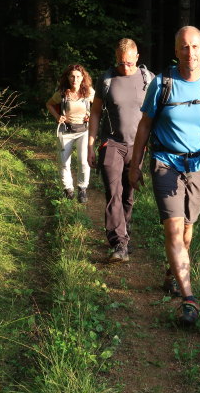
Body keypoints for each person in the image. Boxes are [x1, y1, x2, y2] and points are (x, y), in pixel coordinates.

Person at [128, 26, 200, 326]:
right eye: (184, 47)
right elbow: (144, 126)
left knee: (187, 230)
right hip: (165, 163)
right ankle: (189, 299)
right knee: (173, 230)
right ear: (176, 51)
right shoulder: (161, 84)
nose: (190, 53)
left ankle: (173, 273)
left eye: (195, 46)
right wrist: (135, 165)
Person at [88, 39, 153, 262]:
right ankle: (119, 243)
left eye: (128, 62)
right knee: (112, 193)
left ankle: (125, 234)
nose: (124, 67)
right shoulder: (107, 79)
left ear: (137, 57)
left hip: (137, 146)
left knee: (128, 195)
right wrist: (91, 145)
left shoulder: (148, 80)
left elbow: (155, 114)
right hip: (112, 143)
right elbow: (95, 112)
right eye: (119, 62)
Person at [46, 64, 95, 203]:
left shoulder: (89, 92)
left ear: (83, 78)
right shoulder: (62, 93)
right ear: (68, 77)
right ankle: (68, 190)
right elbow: (49, 104)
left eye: (78, 76)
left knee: (84, 161)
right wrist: (57, 116)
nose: (75, 79)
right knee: (63, 162)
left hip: (83, 131)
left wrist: (90, 115)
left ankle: (82, 189)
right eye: (72, 76)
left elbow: (98, 106)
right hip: (65, 130)